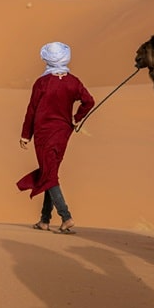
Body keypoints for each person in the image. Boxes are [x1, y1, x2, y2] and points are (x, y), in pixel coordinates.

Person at [17, 41, 94, 234]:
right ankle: (44, 220)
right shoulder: (73, 82)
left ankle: (66, 216)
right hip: (63, 133)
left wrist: (26, 135)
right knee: (49, 172)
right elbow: (88, 101)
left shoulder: (42, 83)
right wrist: (76, 118)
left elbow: (32, 110)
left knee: (49, 174)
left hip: (44, 133)